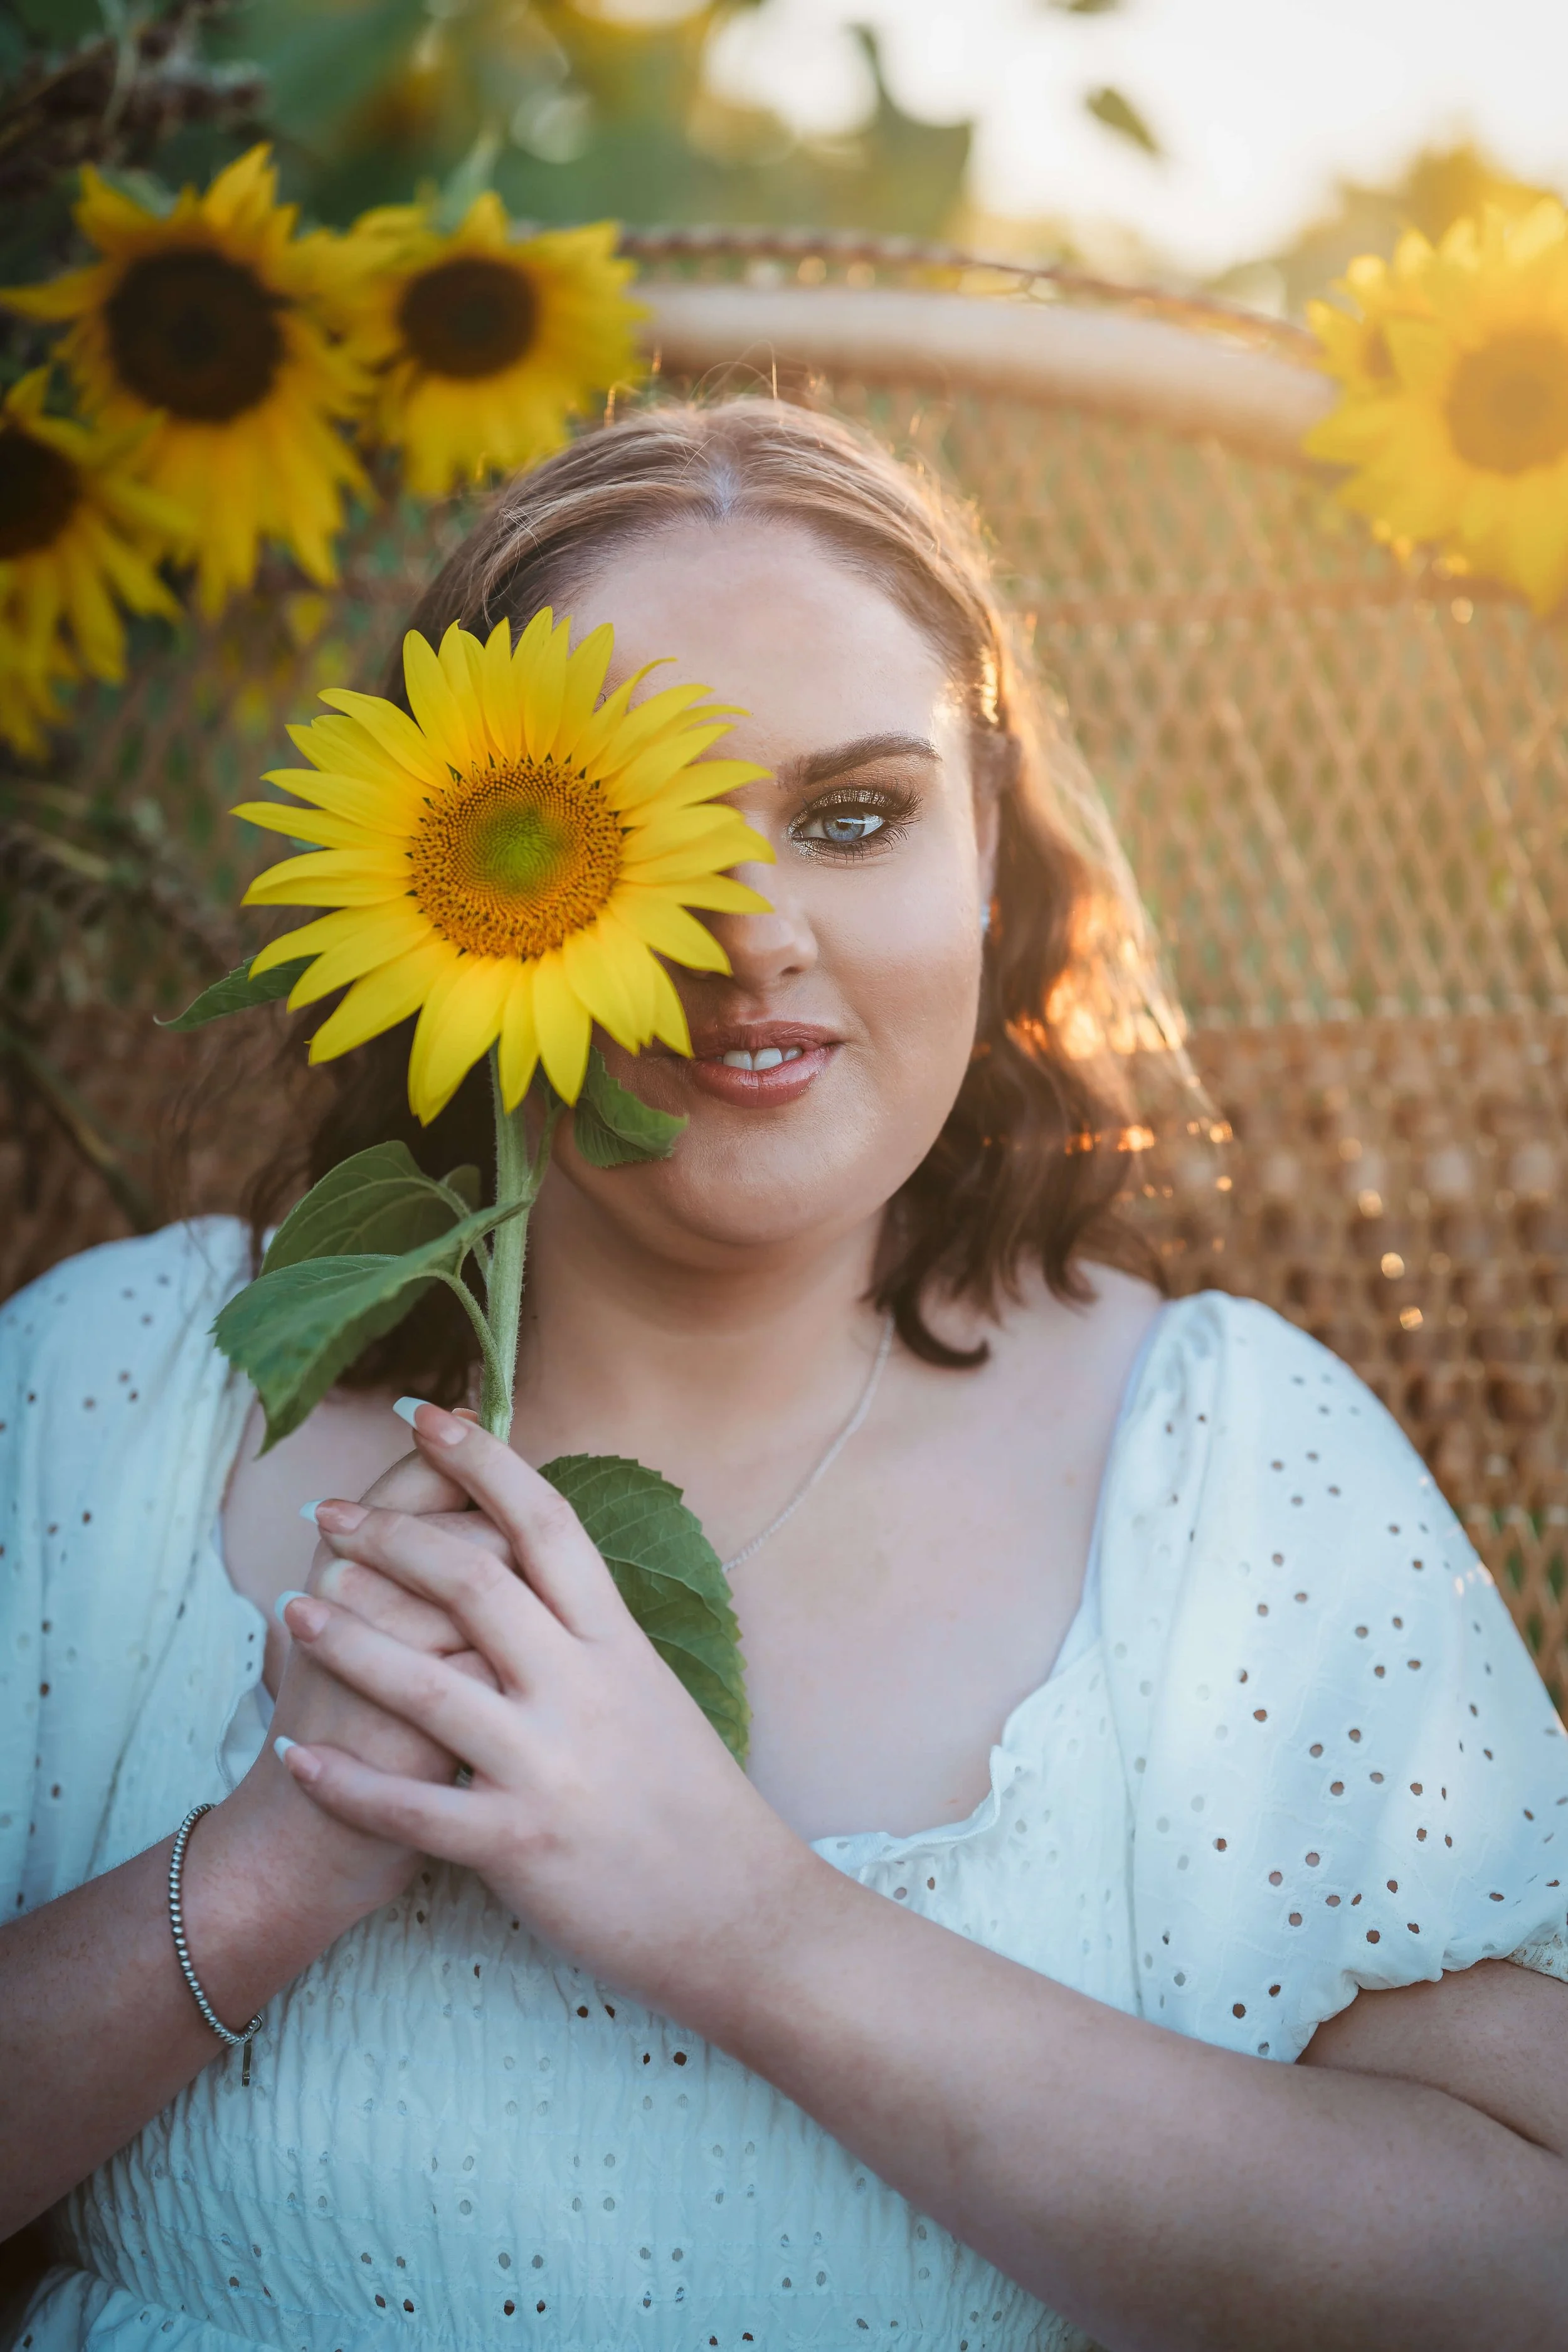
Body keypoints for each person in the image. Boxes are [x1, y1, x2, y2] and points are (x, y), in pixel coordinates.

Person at [2, 398, 1566, 2352]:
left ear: (993, 861)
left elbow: (1525, 2269)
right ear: (441, 877)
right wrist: (262, 1869)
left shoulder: (1231, 1473)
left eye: (853, 814)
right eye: (632, 832)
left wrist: (745, 1921)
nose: (750, 935)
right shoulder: (124, 1394)